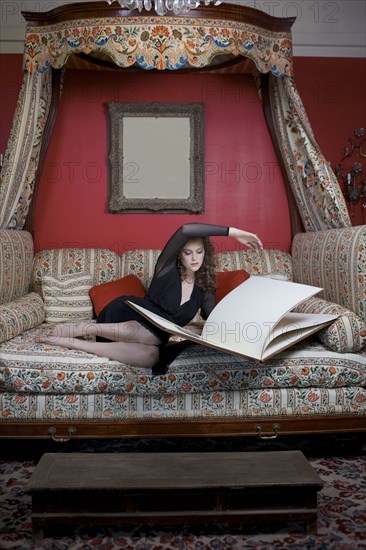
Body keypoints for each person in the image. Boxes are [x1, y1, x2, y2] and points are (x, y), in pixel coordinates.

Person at [39, 223, 263, 369]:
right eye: (188, 252)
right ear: (178, 256)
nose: (194, 258)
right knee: (151, 338)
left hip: (154, 337)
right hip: (125, 314)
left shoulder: (205, 290)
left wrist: (249, 330)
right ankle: (86, 329)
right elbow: (185, 230)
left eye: (199, 252)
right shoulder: (165, 270)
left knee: (151, 357)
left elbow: (215, 321)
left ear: (206, 253)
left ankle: (70, 342)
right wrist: (234, 233)